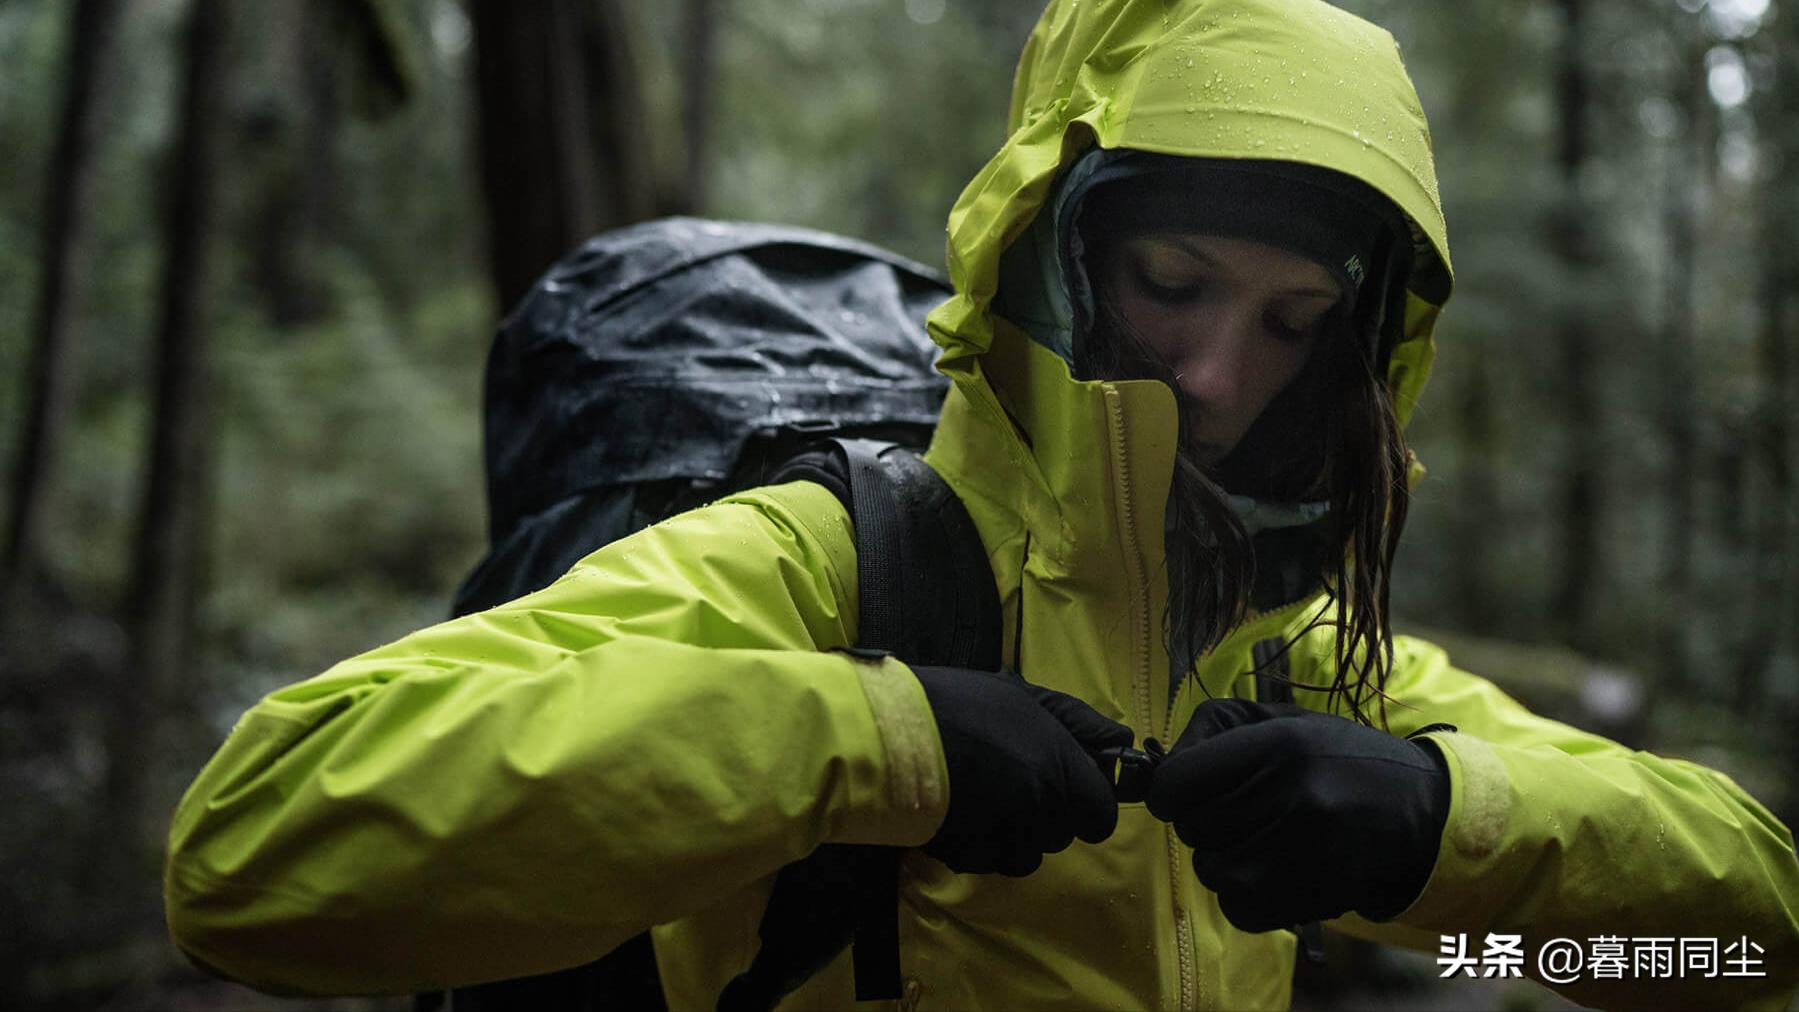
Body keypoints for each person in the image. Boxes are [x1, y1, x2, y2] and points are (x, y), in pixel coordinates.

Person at [164, 0, 1799, 1008]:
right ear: (1053, 253)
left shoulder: (1311, 660)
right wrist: (870, 748)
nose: (1226, 377)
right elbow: (252, 853)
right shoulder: (832, 568)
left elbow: (1740, 946)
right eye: (1173, 284)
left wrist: (1453, 840)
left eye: (1299, 326)